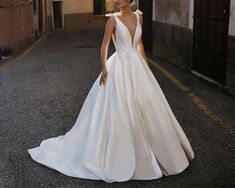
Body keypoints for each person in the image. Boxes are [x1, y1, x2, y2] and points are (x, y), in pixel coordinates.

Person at [28, 0, 194, 183]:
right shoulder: (112, 20)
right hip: (119, 66)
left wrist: (146, 68)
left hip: (137, 66)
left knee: (148, 107)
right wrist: (104, 68)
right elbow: (104, 46)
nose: (116, 0)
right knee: (120, 108)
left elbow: (140, 45)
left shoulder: (139, 17)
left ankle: (158, 151)